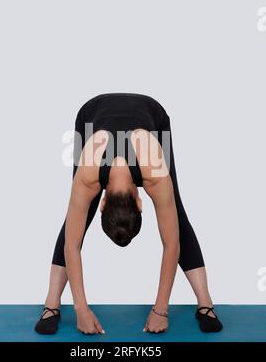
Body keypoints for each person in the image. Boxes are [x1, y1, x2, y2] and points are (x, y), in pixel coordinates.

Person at [35, 93, 223, 335]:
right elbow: (71, 244)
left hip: (153, 115)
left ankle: (205, 303)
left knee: (176, 211)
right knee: (77, 217)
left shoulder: (155, 172)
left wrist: (160, 310)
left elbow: (172, 243)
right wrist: (80, 309)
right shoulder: (88, 175)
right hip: (89, 116)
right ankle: (51, 303)